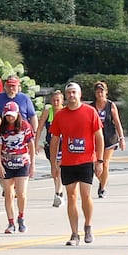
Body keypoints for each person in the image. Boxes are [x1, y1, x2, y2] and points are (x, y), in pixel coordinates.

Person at [51, 82, 104, 246]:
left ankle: (88, 225)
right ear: (65, 96)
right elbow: (54, 140)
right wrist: (54, 164)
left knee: (85, 195)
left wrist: (100, 161)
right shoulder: (60, 115)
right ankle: (74, 234)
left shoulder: (90, 112)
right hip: (68, 162)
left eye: (74, 92)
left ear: (80, 95)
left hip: (86, 160)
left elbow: (99, 137)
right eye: (69, 93)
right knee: (71, 196)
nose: (71, 96)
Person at [0, 101, 34, 233]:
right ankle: (10, 222)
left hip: (22, 162)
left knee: (21, 193)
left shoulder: (25, 126)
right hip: (7, 162)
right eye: (7, 115)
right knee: (8, 194)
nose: (10, 118)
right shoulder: (1, 129)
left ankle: (21, 217)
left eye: (12, 115)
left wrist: (32, 164)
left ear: (17, 114)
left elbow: (31, 145)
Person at [92, 81, 125, 198]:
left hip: (109, 138)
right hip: (95, 140)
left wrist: (121, 138)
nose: (100, 93)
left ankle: (102, 188)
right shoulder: (91, 107)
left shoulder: (110, 105)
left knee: (104, 163)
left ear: (106, 92)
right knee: (96, 166)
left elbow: (117, 122)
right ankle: (102, 180)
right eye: (98, 91)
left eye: (102, 91)